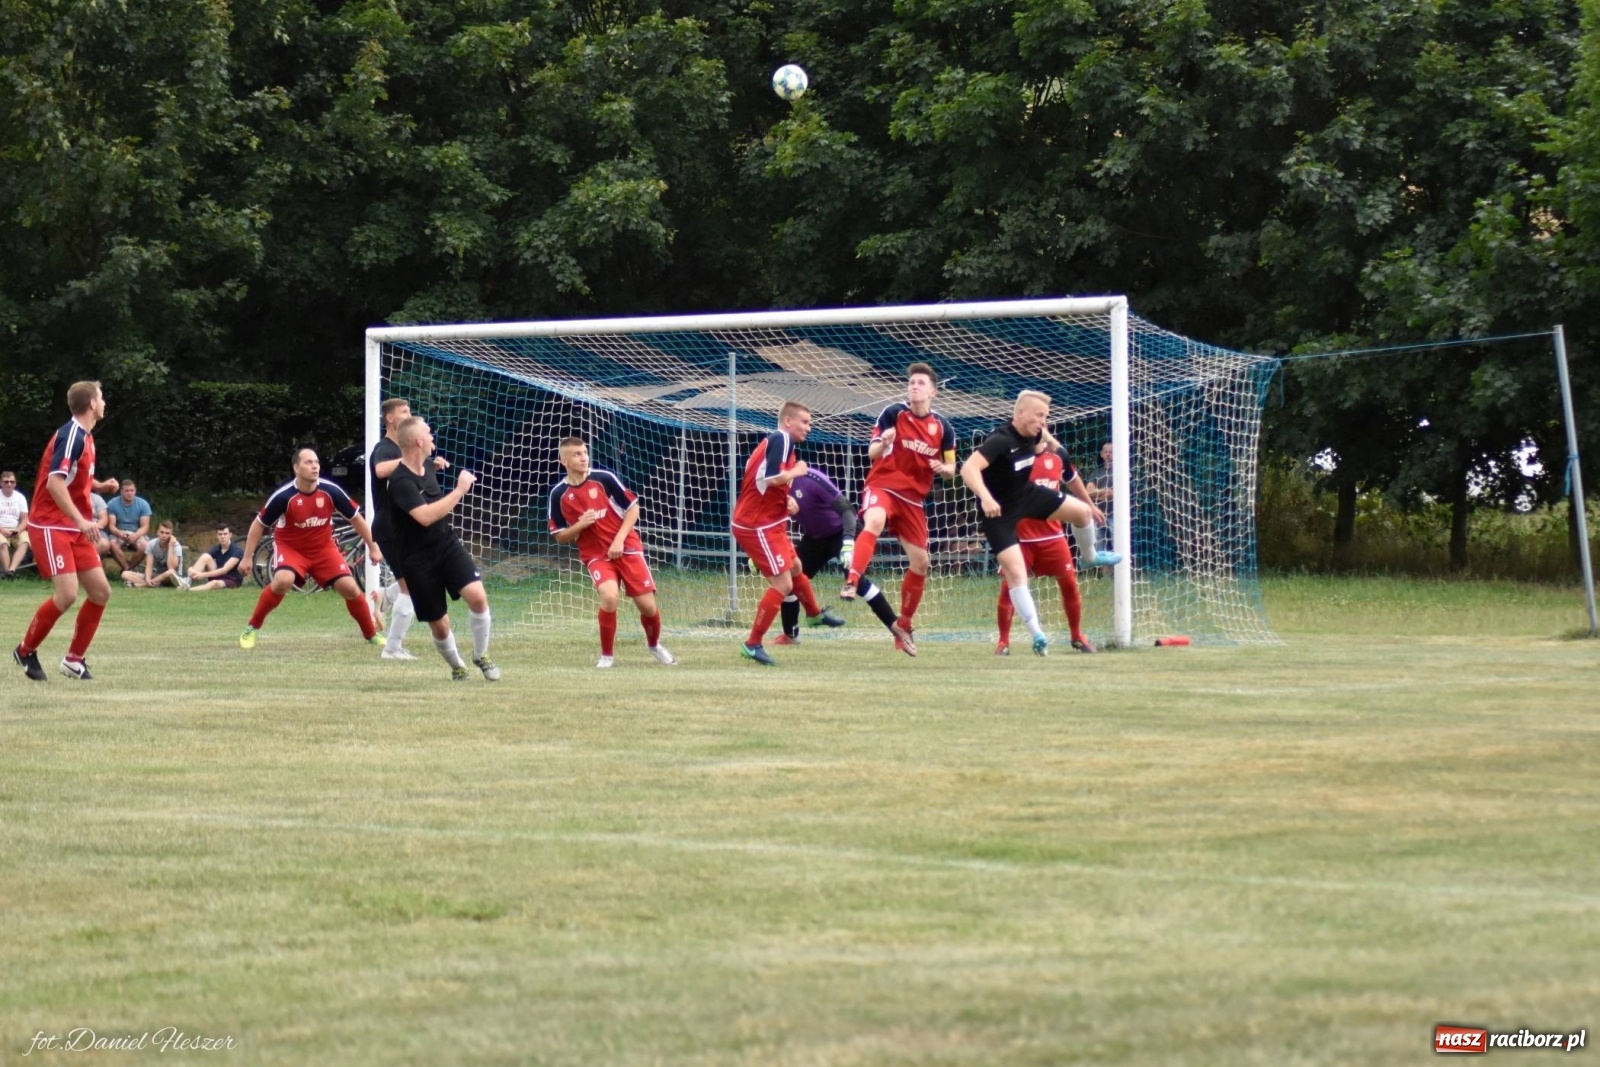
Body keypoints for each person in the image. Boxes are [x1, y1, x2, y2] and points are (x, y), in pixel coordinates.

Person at [960, 390, 1123, 657]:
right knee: (1016, 576)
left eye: (1045, 417)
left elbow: (1054, 450)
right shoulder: (1000, 440)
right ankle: (1037, 634)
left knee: (1083, 513)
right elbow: (968, 469)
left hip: (1027, 497)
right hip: (999, 513)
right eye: (1039, 415)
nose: (1043, 421)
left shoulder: (1036, 435)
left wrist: (1048, 437)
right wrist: (986, 498)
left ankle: (1090, 557)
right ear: (1020, 412)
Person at [840, 363, 956, 654]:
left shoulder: (944, 428)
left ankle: (903, 625)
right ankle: (852, 580)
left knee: (922, 562)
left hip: (913, 500)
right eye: (911, 382)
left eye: (920, 383)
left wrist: (943, 468)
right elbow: (871, 452)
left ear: (933, 391)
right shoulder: (893, 413)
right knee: (874, 523)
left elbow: (952, 469)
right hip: (883, 486)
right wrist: (885, 443)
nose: (914, 386)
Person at [12, 380, 123, 681]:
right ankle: (25, 650)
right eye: (101, 398)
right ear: (91, 404)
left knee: (100, 592)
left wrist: (98, 485)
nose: (104, 403)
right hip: (51, 525)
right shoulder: (72, 435)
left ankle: (73, 660)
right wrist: (82, 521)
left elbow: (73, 474)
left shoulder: (85, 437)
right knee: (68, 594)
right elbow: (54, 482)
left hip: (73, 526)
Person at [548, 436, 677, 669]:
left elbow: (633, 508)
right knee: (609, 597)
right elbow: (559, 535)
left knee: (647, 606)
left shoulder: (604, 479)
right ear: (563, 460)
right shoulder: (559, 494)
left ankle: (654, 645)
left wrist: (619, 540)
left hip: (626, 548)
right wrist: (579, 525)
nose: (583, 457)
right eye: (576, 454)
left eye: (584, 452)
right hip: (596, 555)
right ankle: (607, 655)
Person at [238, 448, 384, 650]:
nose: (314, 466)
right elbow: (258, 524)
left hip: (323, 549)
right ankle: (252, 628)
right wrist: (247, 558)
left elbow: (356, 519)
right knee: (282, 581)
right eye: (308, 462)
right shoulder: (284, 496)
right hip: (291, 548)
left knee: (350, 588)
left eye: (316, 461)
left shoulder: (330, 490)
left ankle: (371, 635)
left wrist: (373, 547)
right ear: (296, 468)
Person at [388, 416, 498, 681]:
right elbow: (425, 516)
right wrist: (460, 490)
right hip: (417, 560)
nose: (433, 437)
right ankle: (458, 666)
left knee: (478, 597)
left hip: (447, 546)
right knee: (439, 623)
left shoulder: (426, 467)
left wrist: (437, 465)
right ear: (419, 441)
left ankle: (481, 655)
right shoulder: (400, 481)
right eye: (429, 433)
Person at [994, 438, 1099, 655]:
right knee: (1009, 588)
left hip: (1052, 536)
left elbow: (1073, 479)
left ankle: (1077, 636)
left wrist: (1089, 505)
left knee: (1070, 583)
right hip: (1020, 539)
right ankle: (1003, 643)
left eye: (1042, 421)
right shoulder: (1015, 458)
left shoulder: (1058, 456)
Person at [775, 466, 898, 645]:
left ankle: (897, 629)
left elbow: (847, 510)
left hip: (844, 532)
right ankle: (790, 636)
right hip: (816, 538)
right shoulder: (774, 487)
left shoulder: (811, 479)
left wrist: (848, 541)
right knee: (788, 580)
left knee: (858, 583)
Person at [368, 397, 449, 661]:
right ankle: (392, 649)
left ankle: (384, 596)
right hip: (390, 527)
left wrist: (428, 463)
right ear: (390, 418)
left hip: (405, 528)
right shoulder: (385, 448)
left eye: (410, 410)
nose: (409, 414)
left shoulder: (406, 454)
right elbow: (380, 470)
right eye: (404, 411)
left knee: (422, 579)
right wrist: (411, 458)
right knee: (412, 587)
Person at [103, 479, 153, 573]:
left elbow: (145, 527)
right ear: (121, 491)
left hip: (136, 532)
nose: (129, 493)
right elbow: (111, 526)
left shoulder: (143, 504)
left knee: (145, 546)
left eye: (132, 490)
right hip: (118, 532)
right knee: (113, 544)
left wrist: (135, 535)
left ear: (135, 491)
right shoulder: (112, 504)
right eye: (127, 491)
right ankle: (128, 570)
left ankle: (128, 570)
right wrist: (119, 533)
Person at [124, 521, 184, 588]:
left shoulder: (176, 546)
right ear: (157, 532)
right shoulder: (151, 544)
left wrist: (171, 547)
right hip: (158, 576)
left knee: (170, 572)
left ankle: (141, 585)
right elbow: (149, 566)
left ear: (171, 534)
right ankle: (152, 584)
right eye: (162, 532)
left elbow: (171, 568)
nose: (164, 535)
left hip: (172, 577)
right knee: (125, 574)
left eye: (167, 533)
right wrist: (148, 579)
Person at [187, 522, 245, 590]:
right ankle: (187, 581)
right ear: (217, 536)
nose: (222, 537)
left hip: (232, 579)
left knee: (215, 583)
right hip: (218, 575)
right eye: (220, 534)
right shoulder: (216, 548)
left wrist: (202, 575)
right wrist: (190, 569)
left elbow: (224, 570)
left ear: (230, 535)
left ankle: (188, 590)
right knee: (205, 556)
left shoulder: (237, 550)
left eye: (225, 534)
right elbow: (204, 561)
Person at [0, 470, 30, 577]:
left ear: (15, 484)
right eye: (6, 481)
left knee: (25, 542)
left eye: (12, 482)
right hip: (0, 529)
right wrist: (2, 530)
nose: (9, 484)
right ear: (1, 483)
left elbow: (25, 519)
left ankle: (10, 571)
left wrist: (19, 530)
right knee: (2, 543)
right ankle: (8, 574)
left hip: (15, 528)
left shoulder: (20, 497)